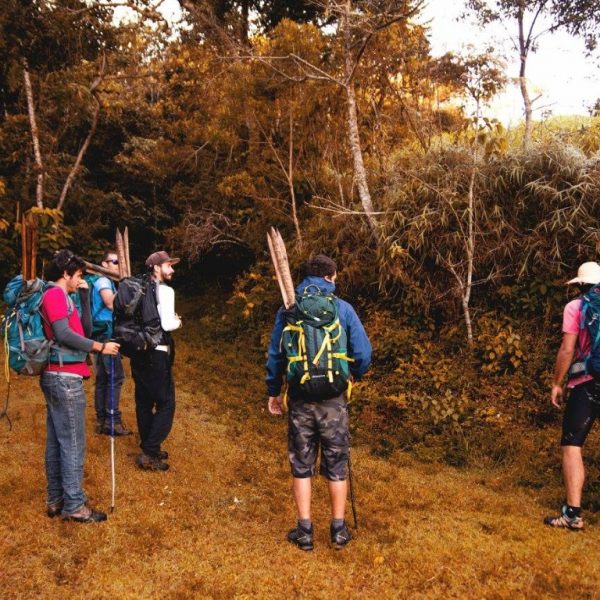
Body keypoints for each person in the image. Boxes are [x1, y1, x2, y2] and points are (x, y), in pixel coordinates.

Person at [266, 254, 372, 550]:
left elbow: (276, 354)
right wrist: (353, 375)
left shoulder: (289, 309)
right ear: (330, 276)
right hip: (334, 400)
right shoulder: (343, 309)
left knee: (302, 463)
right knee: (337, 463)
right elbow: (363, 353)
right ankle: (338, 530)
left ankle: (304, 531)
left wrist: (273, 390)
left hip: (300, 398)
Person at [40, 249, 120, 523]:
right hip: (64, 378)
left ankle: (56, 499)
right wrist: (100, 347)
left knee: (57, 440)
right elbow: (63, 333)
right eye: (77, 275)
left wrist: (84, 297)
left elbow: (83, 331)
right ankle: (74, 505)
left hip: (61, 375)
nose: (80, 279)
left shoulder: (66, 296)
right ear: (65, 273)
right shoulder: (54, 295)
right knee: (73, 442)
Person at [545, 261, 600, 531]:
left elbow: (567, 349)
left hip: (587, 384)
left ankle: (573, 514)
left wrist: (557, 383)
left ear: (580, 285)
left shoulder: (575, 307)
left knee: (572, 444)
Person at [130, 251, 181, 471]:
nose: (172, 269)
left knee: (143, 401)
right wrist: (178, 321)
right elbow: (167, 324)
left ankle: (150, 445)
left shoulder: (137, 289)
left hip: (138, 351)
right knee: (166, 403)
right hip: (157, 352)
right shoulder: (165, 291)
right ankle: (149, 451)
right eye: (168, 265)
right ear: (156, 268)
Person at [91, 250, 131, 436]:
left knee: (103, 378)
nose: (118, 265)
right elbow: (110, 303)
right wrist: (125, 287)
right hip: (106, 334)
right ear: (104, 264)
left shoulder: (103, 281)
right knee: (116, 377)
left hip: (100, 333)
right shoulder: (103, 281)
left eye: (119, 262)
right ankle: (112, 422)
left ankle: (102, 419)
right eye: (114, 262)